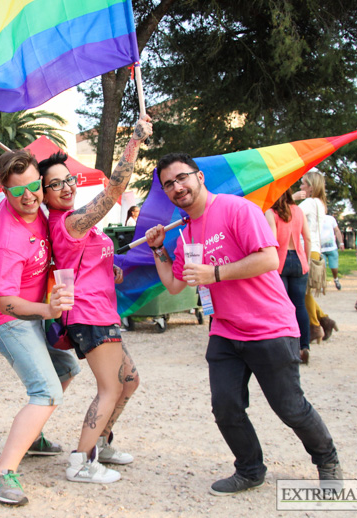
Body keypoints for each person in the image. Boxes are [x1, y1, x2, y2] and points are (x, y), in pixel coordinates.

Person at [146, 153, 341, 496]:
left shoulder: (237, 209)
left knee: (290, 407)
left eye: (182, 178)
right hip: (225, 329)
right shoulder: (186, 232)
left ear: (200, 177)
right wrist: (159, 250)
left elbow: (268, 258)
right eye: (169, 185)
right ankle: (249, 469)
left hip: (270, 326)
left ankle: (328, 461)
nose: (177, 188)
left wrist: (215, 273)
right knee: (226, 407)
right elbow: (176, 285)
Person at [40, 116, 152, 483]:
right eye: (54, 184)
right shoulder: (68, 224)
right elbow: (114, 190)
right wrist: (133, 142)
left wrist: (110, 268)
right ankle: (81, 462)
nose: (65, 187)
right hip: (89, 316)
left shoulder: (76, 220)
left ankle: (100, 443)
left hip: (101, 311)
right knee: (111, 387)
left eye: (67, 179)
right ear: (43, 193)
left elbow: (90, 258)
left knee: (130, 380)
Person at [0, 150, 80, 506]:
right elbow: (5, 302)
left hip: (30, 314)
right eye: (16, 191)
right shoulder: (8, 236)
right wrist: (47, 309)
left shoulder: (38, 209)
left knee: (67, 367)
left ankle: (32, 436)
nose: (29, 196)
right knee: (47, 391)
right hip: (6, 319)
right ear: (3, 193)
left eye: (34, 185)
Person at [265, 190, 311, 364]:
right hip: (299, 260)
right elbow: (307, 237)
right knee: (300, 305)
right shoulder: (298, 210)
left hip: (280, 262)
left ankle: (286, 348)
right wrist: (306, 260)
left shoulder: (271, 212)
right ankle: (304, 346)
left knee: (282, 307)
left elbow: (272, 240)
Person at [292, 171, 338, 343]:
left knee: (303, 292)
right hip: (315, 249)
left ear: (311, 187)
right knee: (304, 291)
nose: (301, 186)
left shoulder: (310, 203)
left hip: (306, 248)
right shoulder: (320, 203)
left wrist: (293, 197)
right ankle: (324, 320)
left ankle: (314, 326)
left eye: (303, 183)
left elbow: (291, 213)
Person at [319, 211, 344, 290]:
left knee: (334, 266)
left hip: (332, 247)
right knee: (322, 267)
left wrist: (341, 243)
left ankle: (336, 279)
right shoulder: (315, 218)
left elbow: (337, 230)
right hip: (320, 248)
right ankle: (323, 283)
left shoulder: (330, 218)